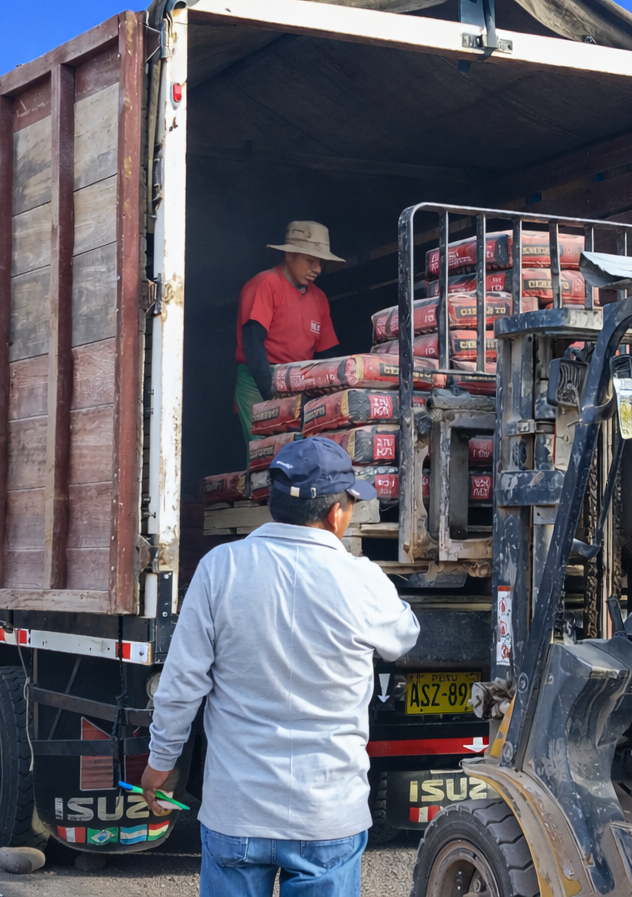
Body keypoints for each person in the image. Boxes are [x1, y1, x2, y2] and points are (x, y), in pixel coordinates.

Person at [141, 436, 420, 897]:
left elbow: (180, 684)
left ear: (272, 505)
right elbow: (403, 637)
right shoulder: (362, 579)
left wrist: (160, 763)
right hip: (326, 819)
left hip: (237, 813)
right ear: (336, 514)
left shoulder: (219, 569)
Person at [236, 221, 344, 447]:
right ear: (289, 256)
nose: (317, 268)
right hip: (259, 379)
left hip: (299, 383)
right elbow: (252, 342)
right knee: (264, 452)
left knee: (298, 452)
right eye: (310, 260)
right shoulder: (266, 283)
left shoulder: (319, 298)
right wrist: (272, 395)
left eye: (321, 262)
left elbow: (328, 354)